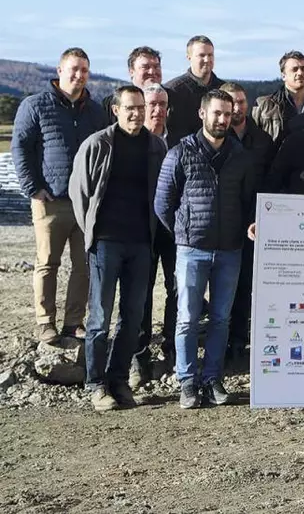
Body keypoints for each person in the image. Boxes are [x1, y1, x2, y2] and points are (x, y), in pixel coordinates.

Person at [155, 90, 258, 409]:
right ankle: (188, 382)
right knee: (186, 318)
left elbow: (248, 201)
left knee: (220, 319)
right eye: (217, 113)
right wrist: (184, 232)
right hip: (191, 250)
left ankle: (213, 379)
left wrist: (250, 225)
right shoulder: (181, 152)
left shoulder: (240, 156)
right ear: (202, 114)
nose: (223, 119)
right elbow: (163, 203)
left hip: (230, 250)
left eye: (228, 114)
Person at [69, 85, 165, 411]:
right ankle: (96, 385)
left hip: (141, 244)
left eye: (141, 107)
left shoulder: (157, 146)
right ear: (116, 109)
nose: (137, 113)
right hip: (106, 243)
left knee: (134, 316)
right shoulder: (97, 145)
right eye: (130, 108)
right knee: (99, 317)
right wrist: (93, 235)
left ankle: (119, 379)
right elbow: (79, 194)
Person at [11, 47, 107, 344]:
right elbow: (20, 147)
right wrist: (32, 188)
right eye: (74, 69)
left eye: (85, 70)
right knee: (47, 263)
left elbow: (104, 151)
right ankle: (45, 322)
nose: (79, 75)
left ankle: (73, 322)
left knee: (84, 266)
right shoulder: (35, 105)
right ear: (60, 71)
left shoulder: (95, 110)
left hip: (85, 203)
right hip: (49, 200)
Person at [219, 81, 274, 368]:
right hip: (223, 222)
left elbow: (271, 182)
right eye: (232, 102)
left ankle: (240, 342)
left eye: (241, 102)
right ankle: (220, 342)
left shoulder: (263, 141)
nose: (237, 107)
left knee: (246, 286)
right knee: (221, 287)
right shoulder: (217, 139)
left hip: (255, 224)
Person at [129, 83, 177, 389]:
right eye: (151, 104)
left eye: (162, 104)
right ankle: (139, 356)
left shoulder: (180, 144)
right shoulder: (130, 143)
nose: (157, 110)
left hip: (172, 230)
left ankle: (172, 349)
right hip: (139, 230)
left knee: (177, 290)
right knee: (140, 293)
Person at [165, 35, 224, 146]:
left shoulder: (223, 89)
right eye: (202, 55)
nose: (207, 60)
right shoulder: (173, 90)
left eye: (210, 55)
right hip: (184, 154)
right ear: (189, 57)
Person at [252, 50, 304, 145]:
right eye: (294, 69)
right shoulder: (265, 106)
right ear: (283, 76)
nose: (300, 73)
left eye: (303, 68)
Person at [102, 46, 164, 123]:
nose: (152, 72)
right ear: (131, 72)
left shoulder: (174, 101)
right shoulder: (111, 104)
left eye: (156, 67)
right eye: (145, 67)